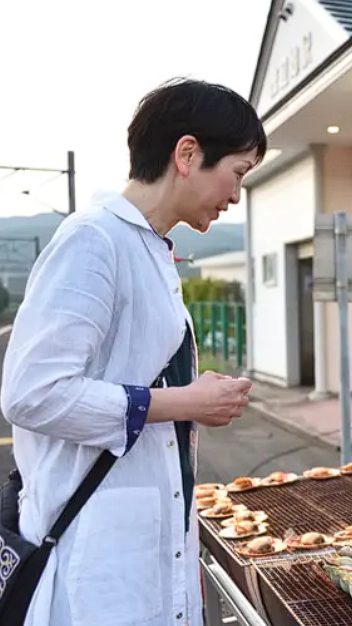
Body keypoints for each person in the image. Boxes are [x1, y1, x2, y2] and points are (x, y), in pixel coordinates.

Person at [0, 78, 265, 626]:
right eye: (237, 174)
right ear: (187, 153)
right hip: (95, 568)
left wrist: (186, 396)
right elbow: (31, 394)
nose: (236, 195)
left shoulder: (148, 247)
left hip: (136, 557)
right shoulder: (93, 240)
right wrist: (186, 403)